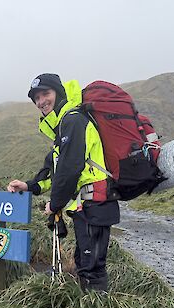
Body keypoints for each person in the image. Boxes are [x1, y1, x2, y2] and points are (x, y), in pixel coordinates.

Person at [7, 73, 120, 292]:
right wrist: (30, 186)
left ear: (58, 93)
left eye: (45, 94)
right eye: (36, 98)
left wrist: (55, 205)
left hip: (95, 205)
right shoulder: (63, 125)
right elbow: (56, 170)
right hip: (87, 207)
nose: (41, 102)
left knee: (92, 269)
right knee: (83, 262)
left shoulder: (73, 120)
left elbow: (69, 171)